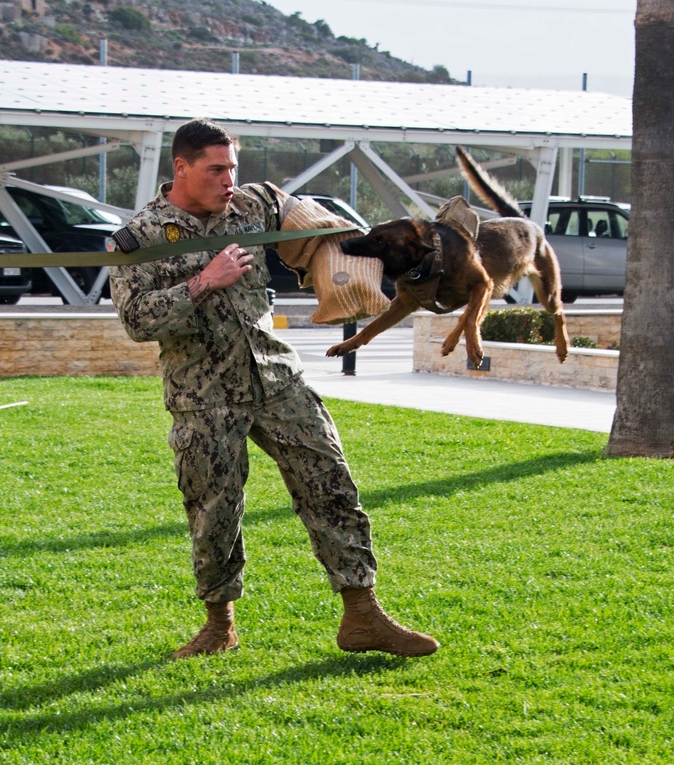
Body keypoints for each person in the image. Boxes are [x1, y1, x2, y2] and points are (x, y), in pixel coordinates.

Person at [109, 118, 438, 659]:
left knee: (331, 483)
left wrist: (371, 253)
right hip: (205, 393)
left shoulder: (253, 205)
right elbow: (136, 319)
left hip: (276, 377)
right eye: (216, 170)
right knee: (214, 508)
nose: (228, 179)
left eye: (233, 166)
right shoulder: (140, 237)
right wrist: (203, 281)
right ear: (182, 168)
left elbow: (322, 226)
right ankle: (220, 626)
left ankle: (362, 616)